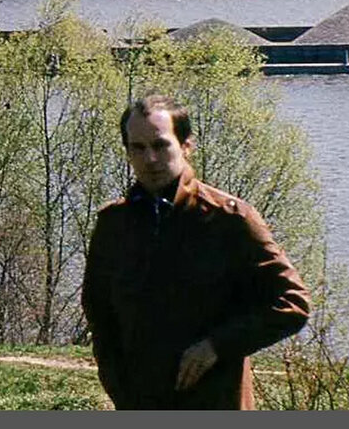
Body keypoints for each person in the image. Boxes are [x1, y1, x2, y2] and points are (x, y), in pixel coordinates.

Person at [81, 94, 311, 410]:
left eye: (161, 145)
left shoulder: (228, 219)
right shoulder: (113, 226)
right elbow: (100, 317)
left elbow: (292, 303)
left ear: (187, 145)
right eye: (138, 148)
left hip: (216, 400)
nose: (150, 159)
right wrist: (118, 384)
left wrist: (217, 346)